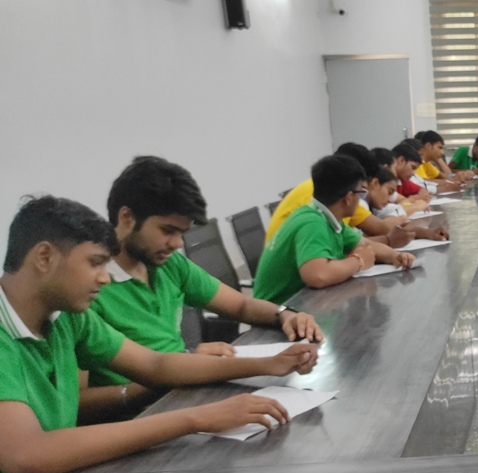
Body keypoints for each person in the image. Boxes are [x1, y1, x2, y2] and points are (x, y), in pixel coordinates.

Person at [0, 195, 319, 473]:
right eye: (95, 263)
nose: (105, 278)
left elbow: (154, 364)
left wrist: (267, 364)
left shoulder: (67, 317)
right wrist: (196, 419)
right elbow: (28, 457)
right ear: (44, 257)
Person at [85, 156, 324, 416]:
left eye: (182, 233)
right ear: (127, 217)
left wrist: (284, 314)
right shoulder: (87, 290)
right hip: (140, 417)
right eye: (168, 230)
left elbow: (241, 305)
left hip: (183, 393)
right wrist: (164, 379)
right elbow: (79, 402)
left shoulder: (169, 265)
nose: (178, 244)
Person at [254, 155, 417, 305]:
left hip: (304, 305)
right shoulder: (312, 223)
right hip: (278, 313)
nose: (361, 200)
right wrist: (358, 261)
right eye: (361, 193)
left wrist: (395, 256)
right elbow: (318, 276)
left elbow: (365, 245)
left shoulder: (326, 218)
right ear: (348, 197)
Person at [267, 143, 414, 248]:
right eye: (363, 186)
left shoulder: (338, 194)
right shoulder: (322, 194)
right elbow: (379, 229)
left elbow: (355, 239)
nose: (364, 191)